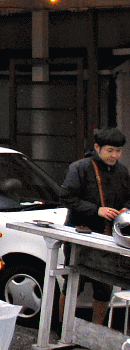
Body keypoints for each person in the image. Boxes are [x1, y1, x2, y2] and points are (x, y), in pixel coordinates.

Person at [61, 127, 130, 324]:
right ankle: (62, 329)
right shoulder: (80, 168)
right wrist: (96, 210)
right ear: (97, 147)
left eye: (118, 151)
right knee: (74, 283)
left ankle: (96, 332)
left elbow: (129, 199)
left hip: (108, 236)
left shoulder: (122, 171)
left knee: (105, 286)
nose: (114, 155)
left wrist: (125, 209)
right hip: (81, 233)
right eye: (109, 150)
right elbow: (66, 197)